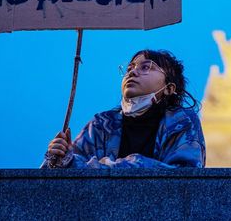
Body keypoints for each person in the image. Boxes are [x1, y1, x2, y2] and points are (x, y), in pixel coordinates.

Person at [41, 49, 205, 168]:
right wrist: (58, 157)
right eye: (129, 68)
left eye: (146, 67)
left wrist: (127, 164)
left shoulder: (182, 121)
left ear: (169, 88)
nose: (133, 72)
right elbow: (62, 175)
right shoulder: (103, 124)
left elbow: (185, 176)